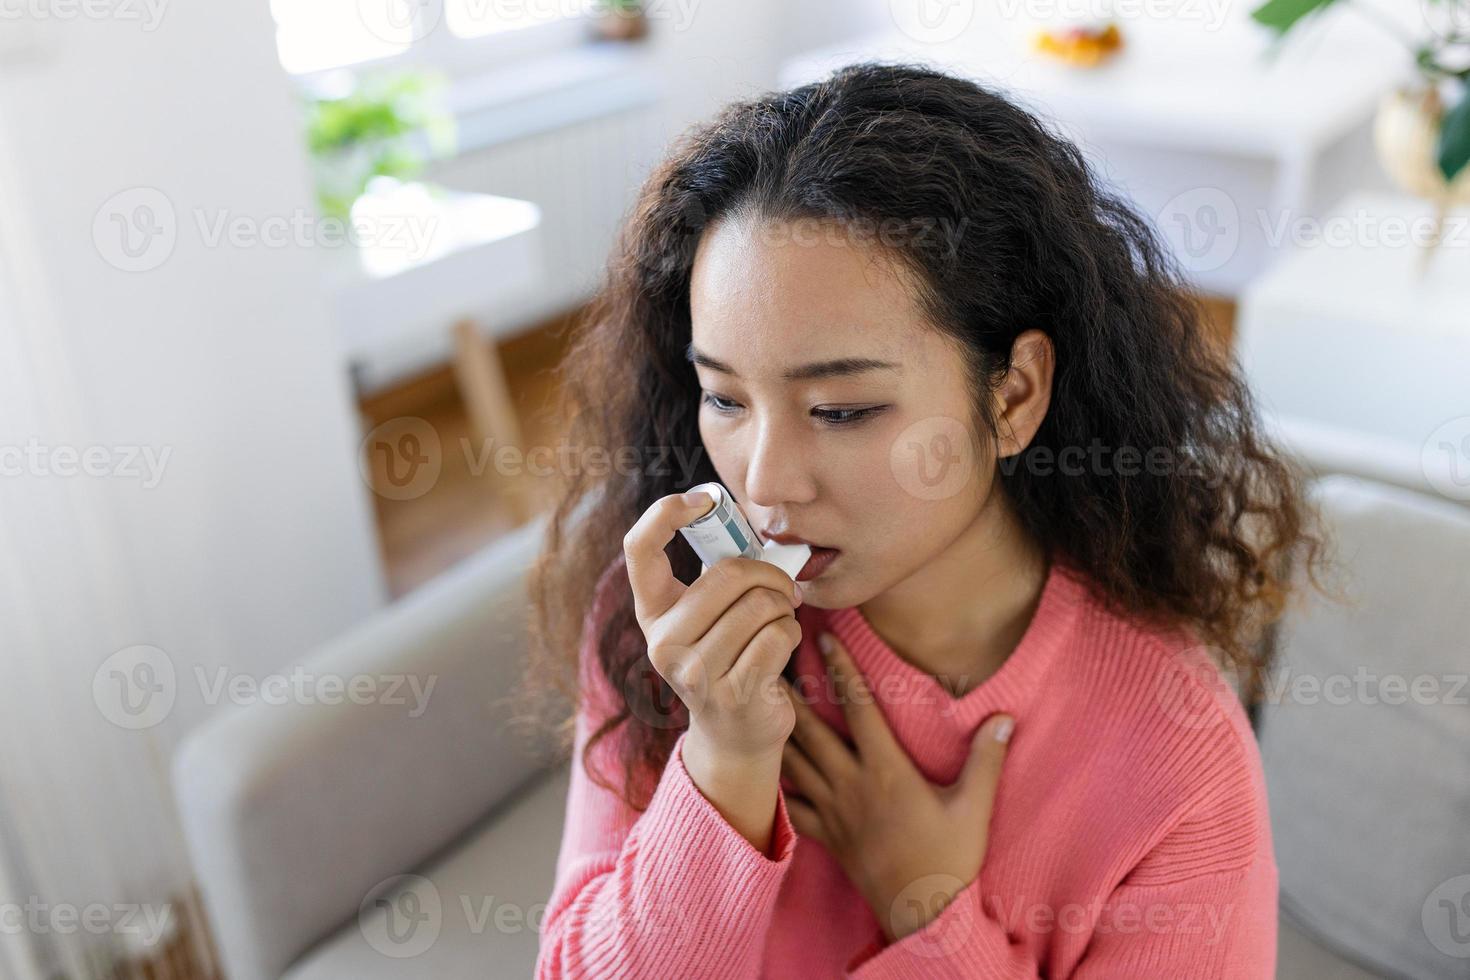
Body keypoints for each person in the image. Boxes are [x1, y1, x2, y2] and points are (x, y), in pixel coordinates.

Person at [521, 61, 1321, 978]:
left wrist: (932, 914)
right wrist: (724, 757)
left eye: (843, 410)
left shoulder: (1176, 756)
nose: (766, 481)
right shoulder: (672, 623)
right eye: (725, 399)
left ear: (1015, 394)